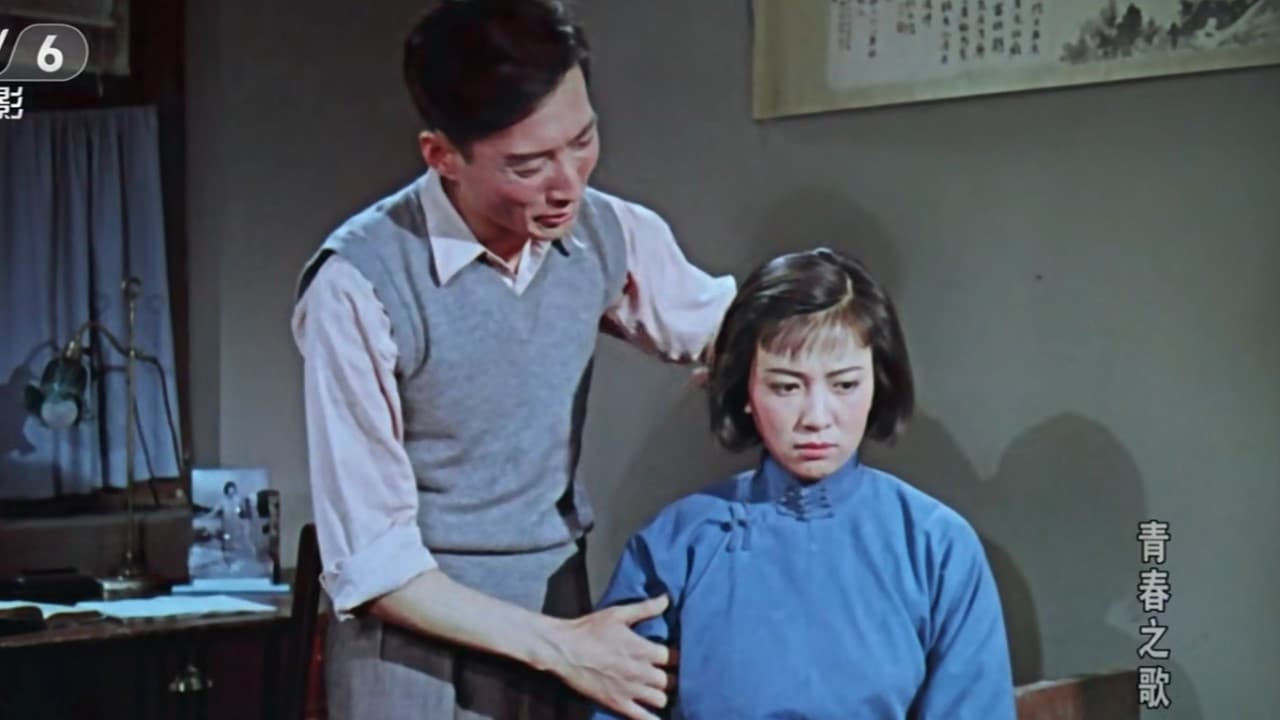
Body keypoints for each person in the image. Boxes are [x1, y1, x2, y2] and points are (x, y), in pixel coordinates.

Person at [289, 1, 735, 718]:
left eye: (582, 142)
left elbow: (728, 328)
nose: (568, 184)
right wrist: (564, 648)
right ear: (441, 156)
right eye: (528, 165)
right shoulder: (358, 284)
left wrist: (761, 361)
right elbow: (373, 562)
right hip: (416, 642)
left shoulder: (604, 230)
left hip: (557, 603)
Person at [592, 248, 1016, 719]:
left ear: (878, 383)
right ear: (745, 390)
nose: (816, 417)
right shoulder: (676, 544)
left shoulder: (936, 545)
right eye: (786, 387)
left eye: (844, 385)